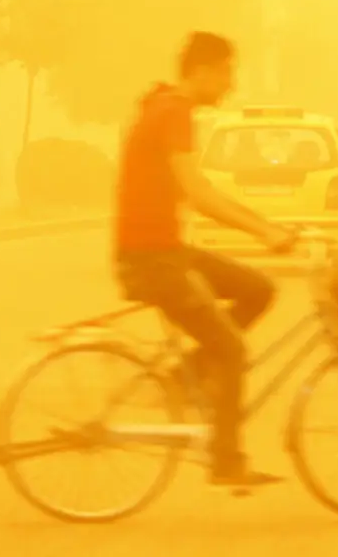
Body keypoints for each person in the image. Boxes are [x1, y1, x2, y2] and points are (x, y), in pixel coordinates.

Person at [113, 31, 298, 487]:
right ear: (202, 71)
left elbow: (195, 191)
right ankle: (226, 461)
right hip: (151, 260)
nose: (231, 85)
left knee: (259, 289)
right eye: (227, 73)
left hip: (167, 252)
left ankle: (185, 375)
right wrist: (264, 230)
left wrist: (266, 225)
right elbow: (198, 194)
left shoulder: (169, 108)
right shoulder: (173, 112)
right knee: (231, 349)